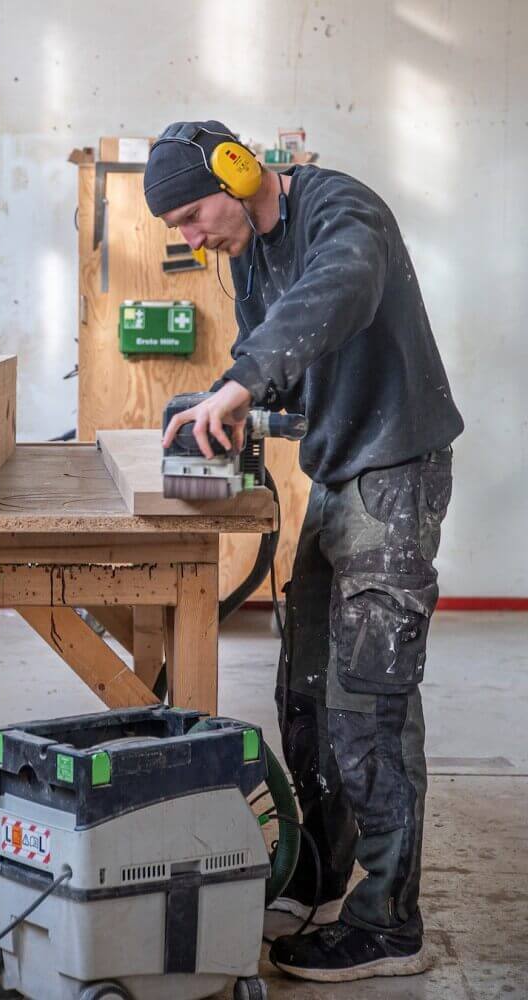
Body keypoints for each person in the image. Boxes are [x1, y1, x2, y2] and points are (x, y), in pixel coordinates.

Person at [143, 120, 464, 983]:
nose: (190, 235)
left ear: (238, 171)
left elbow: (339, 291)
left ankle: (390, 922)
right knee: (310, 693)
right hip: (337, 475)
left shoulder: (341, 211)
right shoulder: (246, 254)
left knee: (371, 704)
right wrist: (231, 400)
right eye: (175, 225)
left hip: (395, 471)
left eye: (192, 212)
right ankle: (322, 878)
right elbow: (283, 367)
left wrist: (246, 381)